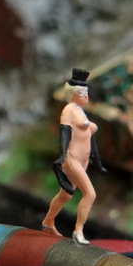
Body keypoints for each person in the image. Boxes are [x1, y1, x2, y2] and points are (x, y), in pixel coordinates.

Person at [42, 68, 105, 245]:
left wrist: (98, 163)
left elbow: (90, 140)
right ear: (74, 94)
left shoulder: (81, 111)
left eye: (86, 92)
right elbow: (65, 132)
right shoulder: (69, 110)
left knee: (66, 195)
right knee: (90, 194)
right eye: (83, 93)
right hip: (73, 159)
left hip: (83, 160)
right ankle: (78, 231)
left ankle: (47, 221)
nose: (86, 96)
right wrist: (63, 155)